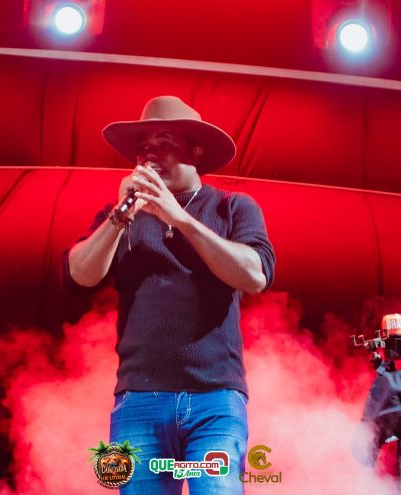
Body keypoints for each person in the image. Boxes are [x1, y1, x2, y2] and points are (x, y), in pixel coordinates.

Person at [62, 95, 276, 494]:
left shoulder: (232, 207)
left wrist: (178, 217)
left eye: (163, 143)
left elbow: (255, 275)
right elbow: (79, 275)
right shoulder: (120, 216)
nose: (149, 154)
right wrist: (121, 215)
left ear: (195, 151)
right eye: (143, 147)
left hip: (215, 399)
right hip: (139, 400)